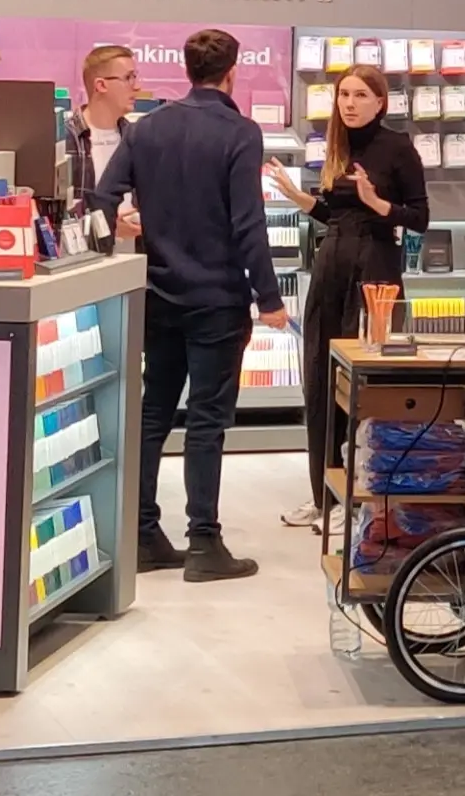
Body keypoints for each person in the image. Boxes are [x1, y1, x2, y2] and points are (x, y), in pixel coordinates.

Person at [93, 29, 287, 583]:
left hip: (159, 292)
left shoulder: (147, 128)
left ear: (185, 68)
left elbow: (104, 196)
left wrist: (125, 237)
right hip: (217, 299)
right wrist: (269, 298)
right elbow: (248, 224)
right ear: (232, 72)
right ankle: (204, 542)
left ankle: (142, 533)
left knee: (154, 413)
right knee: (207, 421)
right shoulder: (239, 132)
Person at [266, 65, 429, 533]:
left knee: (359, 381)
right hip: (331, 260)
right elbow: (334, 212)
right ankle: (324, 497)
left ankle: (361, 499)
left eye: (360, 95)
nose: (350, 103)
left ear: (381, 101)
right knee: (318, 374)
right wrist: (302, 200)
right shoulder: (334, 144)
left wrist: (379, 204)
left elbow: (419, 218)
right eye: (343, 95)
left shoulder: (398, 148)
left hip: (376, 266)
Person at [64, 44, 140, 242]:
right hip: (84, 260)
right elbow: (54, 217)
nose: (136, 86)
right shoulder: (65, 138)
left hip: (135, 259)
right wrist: (108, 228)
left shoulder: (137, 137)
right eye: (128, 78)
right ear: (101, 85)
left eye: (135, 77)